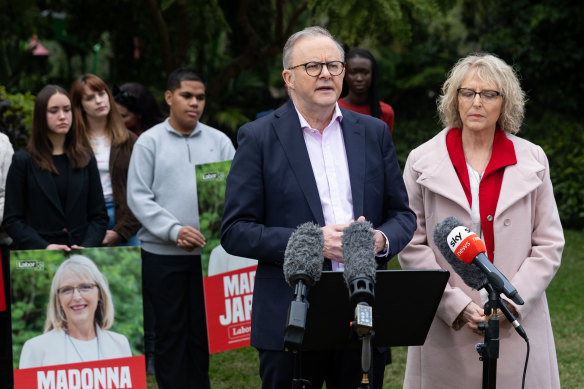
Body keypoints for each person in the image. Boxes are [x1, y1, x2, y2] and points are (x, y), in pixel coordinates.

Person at [220, 26, 416, 389]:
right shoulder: (259, 137)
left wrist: (378, 240)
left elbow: (403, 216)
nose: (326, 73)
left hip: (363, 305)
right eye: (313, 66)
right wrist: (312, 242)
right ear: (288, 77)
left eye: (334, 65)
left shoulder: (373, 133)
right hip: (291, 309)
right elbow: (235, 231)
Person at [398, 53, 563, 388]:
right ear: (454, 98)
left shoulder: (533, 159)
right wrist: (454, 305)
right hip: (448, 322)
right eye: (467, 92)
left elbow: (549, 243)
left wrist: (513, 302)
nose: (477, 102)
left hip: (517, 321)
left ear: (506, 103)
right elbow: (411, 242)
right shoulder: (421, 160)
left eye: (489, 94)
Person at [127, 67, 235, 389]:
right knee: (170, 332)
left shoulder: (220, 142)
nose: (195, 103)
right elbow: (138, 197)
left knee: (202, 334)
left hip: (208, 257)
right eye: (187, 96)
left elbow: (238, 194)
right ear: (169, 97)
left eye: (200, 97)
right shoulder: (149, 142)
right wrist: (174, 230)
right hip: (162, 255)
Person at [2, 85, 108, 250]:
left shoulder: (86, 158)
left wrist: (87, 246)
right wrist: (44, 246)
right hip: (38, 257)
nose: (62, 116)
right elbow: (12, 219)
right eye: (54, 111)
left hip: (81, 252)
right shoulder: (22, 161)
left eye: (67, 110)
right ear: (40, 116)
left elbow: (99, 216)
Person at [19, 255, 131, 368]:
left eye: (85, 287)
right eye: (67, 289)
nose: (76, 297)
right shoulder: (35, 349)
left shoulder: (120, 344)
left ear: (99, 294)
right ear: (58, 300)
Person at [70, 74, 141, 247]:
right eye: (90, 98)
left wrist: (121, 231)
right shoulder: (71, 143)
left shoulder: (130, 140)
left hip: (126, 218)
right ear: (80, 106)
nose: (99, 101)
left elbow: (143, 189)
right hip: (86, 221)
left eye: (102, 94)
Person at [338, 48, 395, 134]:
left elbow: (385, 146)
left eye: (365, 73)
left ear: (372, 74)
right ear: (345, 74)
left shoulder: (385, 112)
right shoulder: (334, 110)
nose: (359, 78)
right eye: (353, 72)